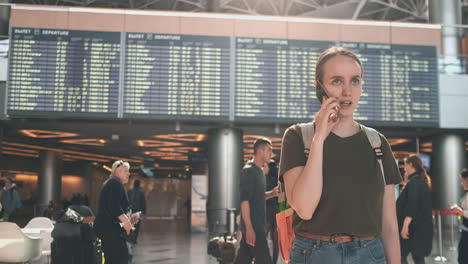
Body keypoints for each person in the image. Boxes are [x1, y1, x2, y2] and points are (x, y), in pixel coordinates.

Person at [279, 46, 402, 264]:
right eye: (336, 81)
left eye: (355, 81)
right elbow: (304, 209)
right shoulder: (298, 137)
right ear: (319, 88)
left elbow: (389, 225)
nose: (347, 91)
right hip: (313, 254)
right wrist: (319, 139)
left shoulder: (377, 143)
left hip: (369, 253)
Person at [235, 138, 279, 264]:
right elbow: (244, 202)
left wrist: (272, 193)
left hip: (259, 226)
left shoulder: (259, 171)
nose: (271, 154)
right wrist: (249, 229)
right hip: (254, 228)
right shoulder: (248, 171)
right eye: (269, 150)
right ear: (260, 151)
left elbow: (257, 197)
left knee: (242, 260)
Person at [94, 160, 140, 264]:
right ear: (117, 172)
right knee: (120, 258)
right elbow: (114, 207)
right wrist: (127, 223)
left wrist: (130, 217)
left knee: (112, 259)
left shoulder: (111, 183)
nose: (128, 174)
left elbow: (112, 207)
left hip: (106, 229)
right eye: (126, 171)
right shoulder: (115, 183)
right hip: (111, 231)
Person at [396, 155, 433, 264]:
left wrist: (405, 225)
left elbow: (412, 204)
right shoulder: (420, 181)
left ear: (411, 164)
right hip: (419, 228)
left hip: (412, 229)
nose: (404, 168)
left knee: (403, 255)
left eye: (405, 164)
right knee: (417, 258)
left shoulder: (414, 183)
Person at [450, 169, 468, 264]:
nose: (461, 183)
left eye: (462, 180)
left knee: (463, 258)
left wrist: (461, 211)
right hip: (465, 231)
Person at [264, 160, 279, 264]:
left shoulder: (264, 179)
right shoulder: (279, 181)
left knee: (262, 238)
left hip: (267, 211)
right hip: (277, 211)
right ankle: (274, 261)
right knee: (276, 240)